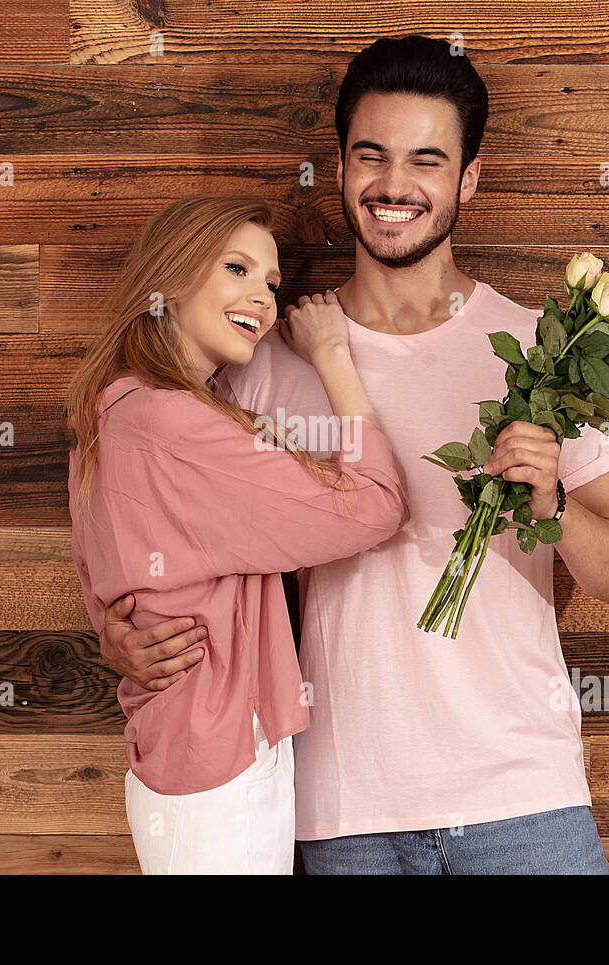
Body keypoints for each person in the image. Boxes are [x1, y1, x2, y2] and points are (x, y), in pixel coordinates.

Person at [98, 35, 609, 874]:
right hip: (340, 814)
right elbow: (163, 517)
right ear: (340, 169)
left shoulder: (549, 355)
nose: (395, 185)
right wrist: (122, 631)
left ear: (468, 179)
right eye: (373, 156)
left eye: (427, 161)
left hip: (524, 801)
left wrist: (558, 508)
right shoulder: (266, 364)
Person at [65, 194, 410, 874]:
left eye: (272, 283)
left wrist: (113, 629)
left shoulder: (112, 408)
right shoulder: (179, 425)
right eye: (237, 268)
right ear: (172, 275)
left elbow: (101, 574)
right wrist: (335, 355)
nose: (263, 296)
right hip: (221, 760)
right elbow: (376, 506)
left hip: (181, 750)